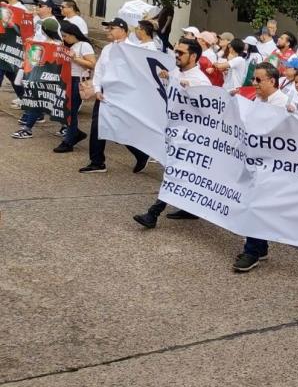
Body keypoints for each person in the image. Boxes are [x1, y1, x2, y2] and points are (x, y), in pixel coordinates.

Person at [132, 38, 213, 229]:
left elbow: (209, 112)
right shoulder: (177, 72)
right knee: (181, 173)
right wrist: (168, 77)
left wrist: (190, 91)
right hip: (174, 133)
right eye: (176, 51)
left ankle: (153, 213)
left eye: (181, 53)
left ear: (193, 56)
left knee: (173, 173)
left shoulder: (200, 81)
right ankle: (190, 208)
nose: (176, 55)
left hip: (191, 138)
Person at [232, 62, 290, 272]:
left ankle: (252, 252)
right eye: (253, 79)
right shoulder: (257, 99)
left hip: (272, 164)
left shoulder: (284, 104)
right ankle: (261, 247)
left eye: (258, 80)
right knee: (254, 202)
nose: (254, 83)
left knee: (256, 204)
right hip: (255, 160)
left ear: (272, 81)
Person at [79, 18, 151, 174]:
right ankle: (97, 162)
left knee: (120, 128)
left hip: (122, 95)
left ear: (123, 30)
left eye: (112, 28)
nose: (108, 31)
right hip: (105, 93)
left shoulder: (134, 50)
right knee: (98, 125)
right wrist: (97, 89)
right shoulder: (107, 49)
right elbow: (99, 70)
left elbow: (138, 75)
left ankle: (141, 154)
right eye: (108, 28)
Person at [52, 21, 95, 153]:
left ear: (73, 34)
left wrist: (75, 59)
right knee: (65, 109)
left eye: (65, 36)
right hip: (66, 78)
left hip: (77, 80)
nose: (64, 38)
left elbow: (92, 64)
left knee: (71, 111)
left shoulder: (84, 45)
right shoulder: (65, 45)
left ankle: (69, 141)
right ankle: (74, 133)